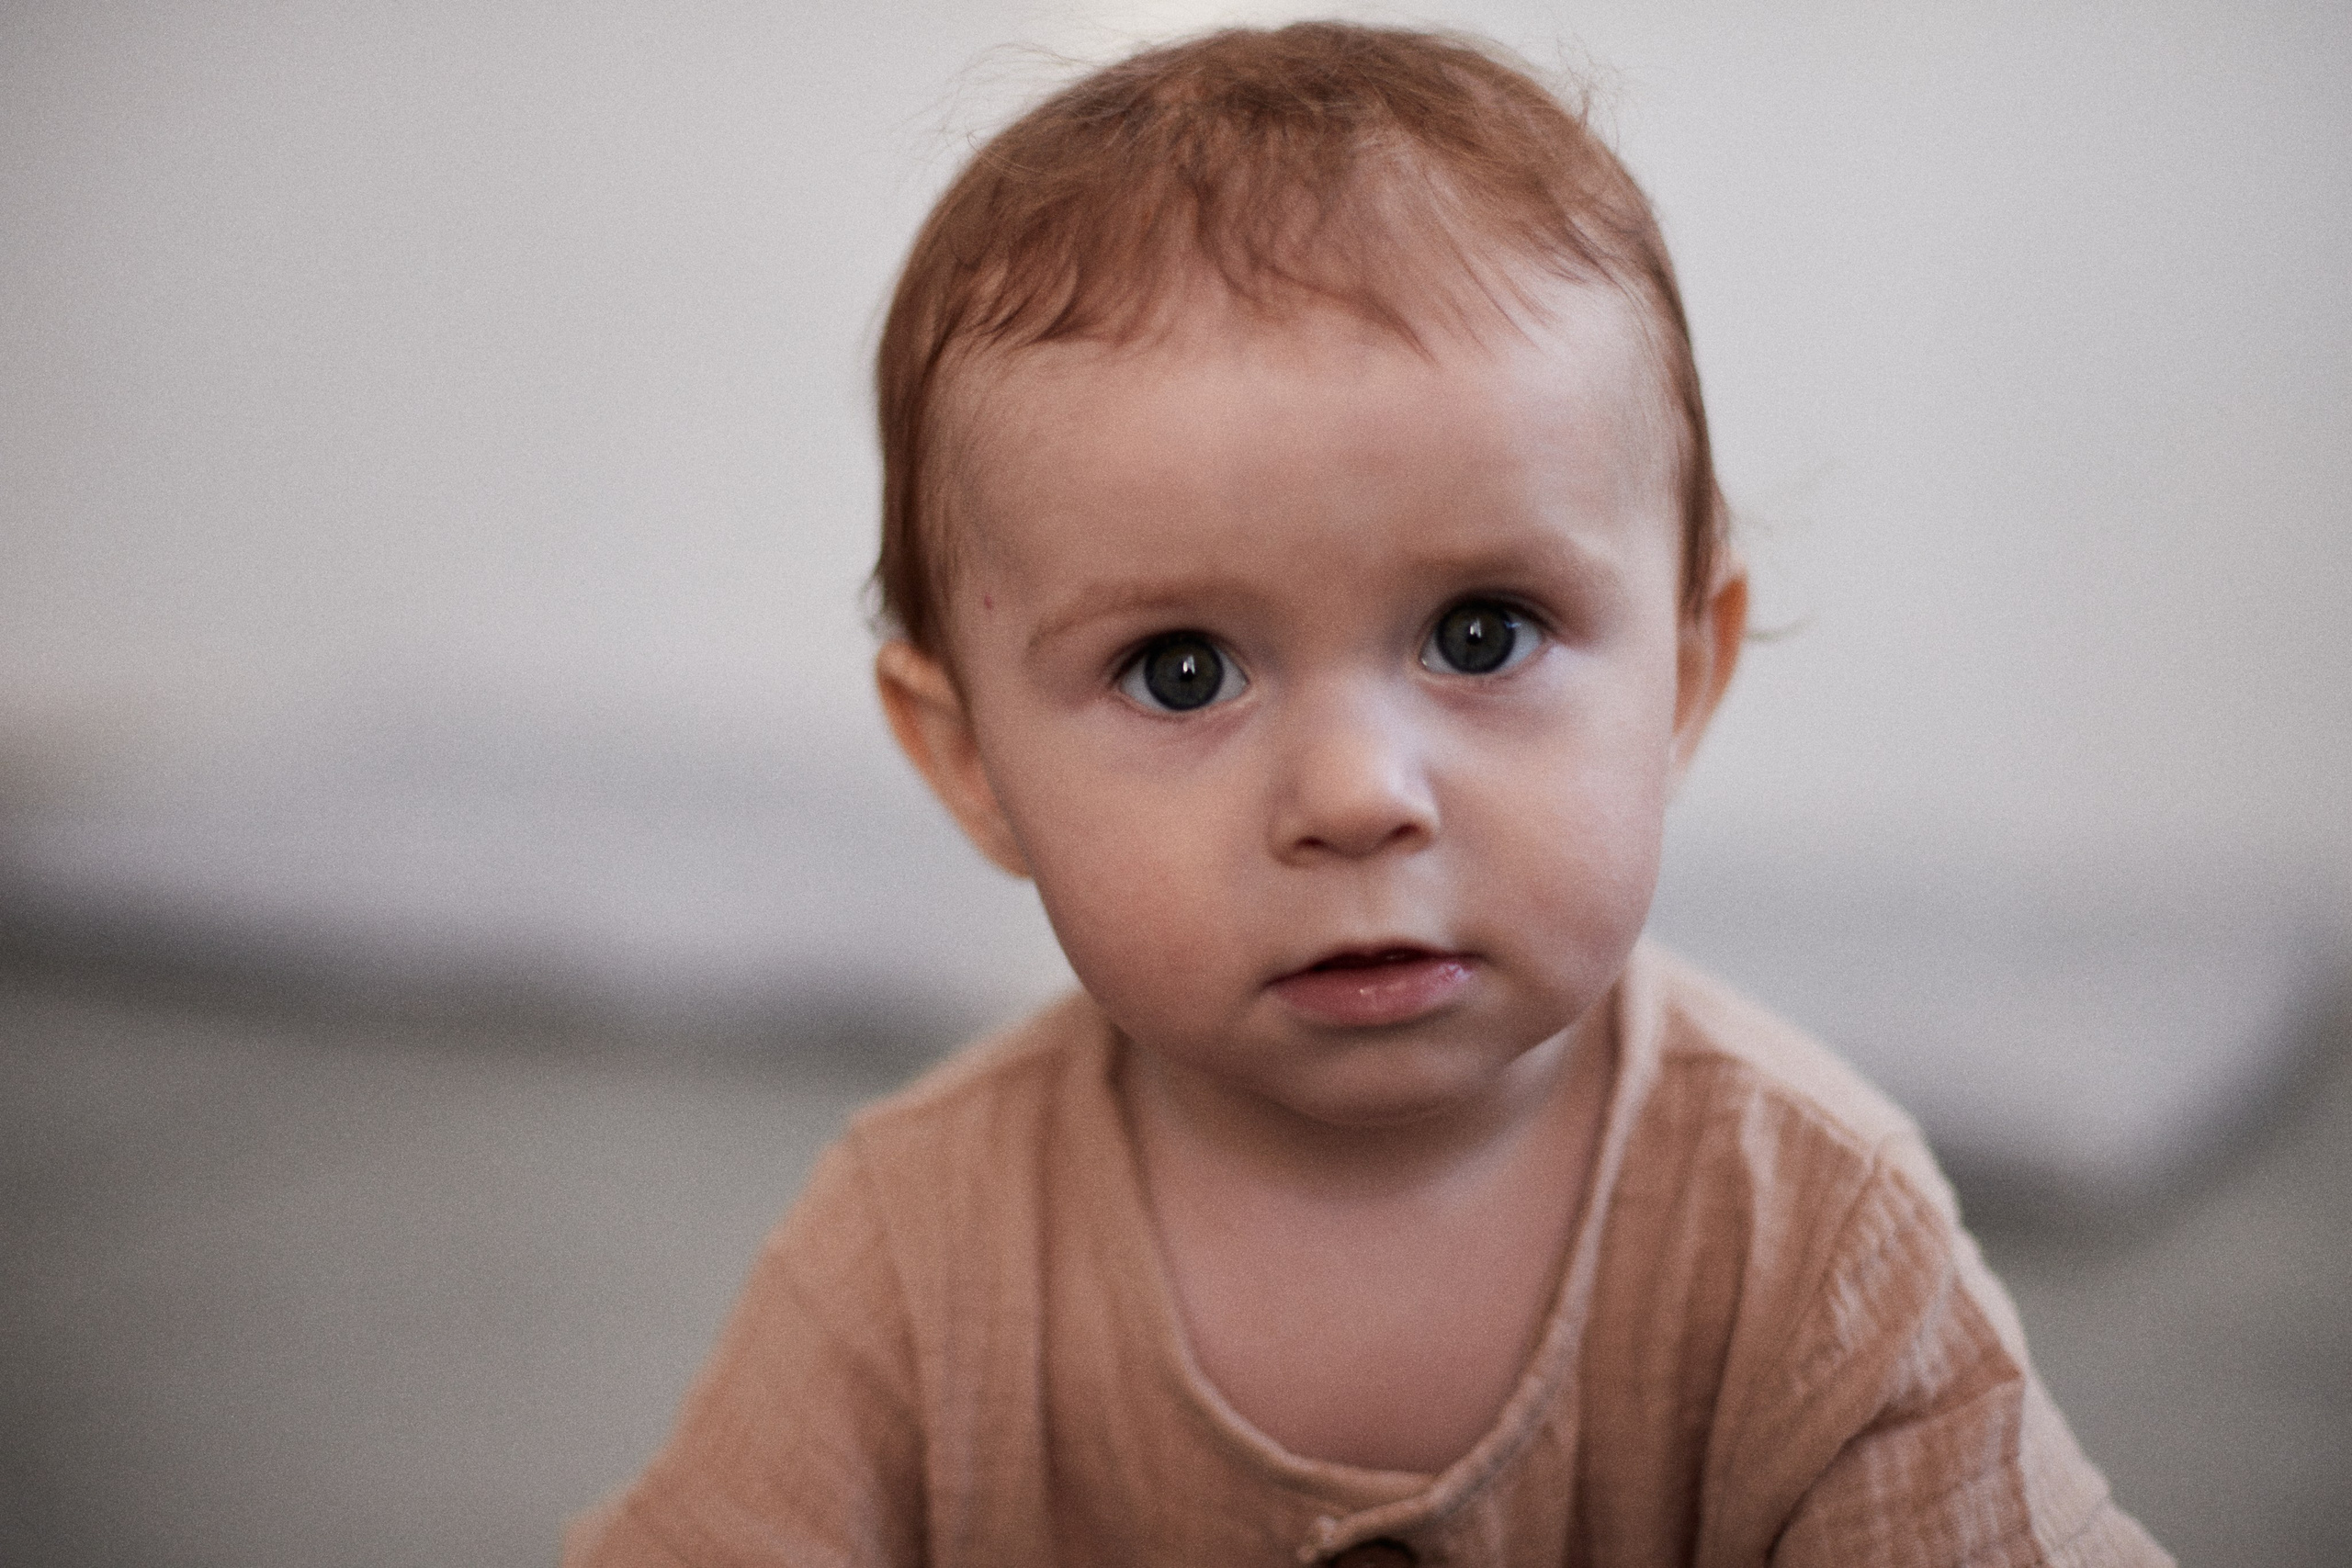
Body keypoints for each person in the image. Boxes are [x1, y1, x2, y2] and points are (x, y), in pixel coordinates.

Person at [566, 23, 2168, 1566]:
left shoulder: (1815, 1236)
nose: (1355, 795)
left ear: (1683, 676)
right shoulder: (910, 1257)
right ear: (971, 764)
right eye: (1181, 669)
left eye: (1483, 635)